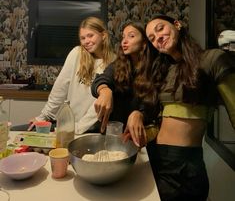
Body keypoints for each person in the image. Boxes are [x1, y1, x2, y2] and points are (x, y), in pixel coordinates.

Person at [124, 14, 235, 201]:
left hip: (185, 166)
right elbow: (161, 118)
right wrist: (138, 117)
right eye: (151, 38)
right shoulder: (164, 71)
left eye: (160, 29)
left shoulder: (212, 59)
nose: (157, 38)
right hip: (155, 157)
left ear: (177, 25)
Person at [23, 16, 115, 134]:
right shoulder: (77, 53)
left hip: (93, 129)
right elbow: (60, 89)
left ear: (103, 35)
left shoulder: (114, 61)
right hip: (69, 124)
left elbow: (101, 103)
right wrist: (43, 117)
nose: (86, 41)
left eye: (90, 35)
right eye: (82, 38)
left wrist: (78, 128)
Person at [91, 21, 158, 135]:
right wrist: (105, 91)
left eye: (131, 36)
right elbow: (102, 79)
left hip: (142, 134)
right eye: (123, 37)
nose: (124, 41)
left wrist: (140, 114)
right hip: (114, 132)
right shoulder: (119, 64)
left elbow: (154, 105)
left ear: (144, 42)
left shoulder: (155, 68)